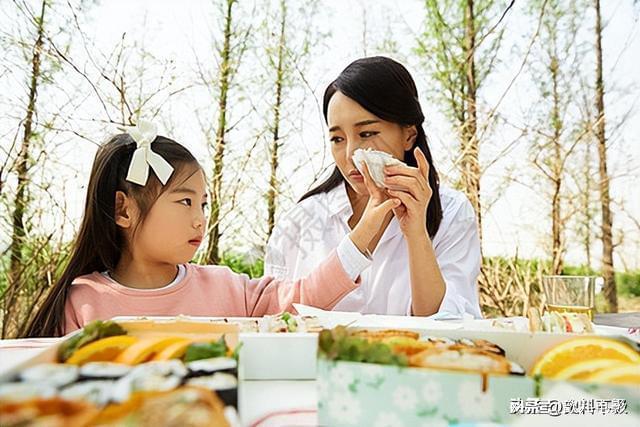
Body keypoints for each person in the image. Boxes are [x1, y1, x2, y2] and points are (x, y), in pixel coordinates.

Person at [23, 121, 400, 337]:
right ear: (124, 209)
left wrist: (366, 229)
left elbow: (304, 296)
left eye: (203, 204)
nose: (200, 218)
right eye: (185, 201)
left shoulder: (227, 289)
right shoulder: (83, 302)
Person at [265, 56, 482, 318]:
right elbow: (272, 320)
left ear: (409, 135)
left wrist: (416, 234)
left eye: (367, 134)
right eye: (337, 139)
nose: (350, 154)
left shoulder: (454, 213)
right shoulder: (300, 223)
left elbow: (449, 328)